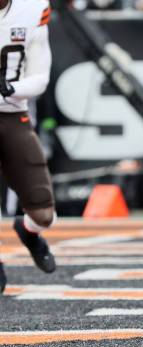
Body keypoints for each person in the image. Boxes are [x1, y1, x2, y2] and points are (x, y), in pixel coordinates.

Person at [0, 0, 57, 294]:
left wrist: (13, 89)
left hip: (11, 113)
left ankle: (28, 232)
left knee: (44, 213)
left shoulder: (31, 9)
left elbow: (40, 76)